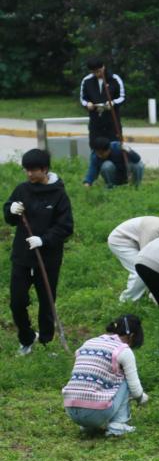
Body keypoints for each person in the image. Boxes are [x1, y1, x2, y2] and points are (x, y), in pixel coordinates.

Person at [4, 149, 74, 355]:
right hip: (22, 257)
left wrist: (44, 240)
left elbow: (66, 226)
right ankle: (26, 338)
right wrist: (10, 209)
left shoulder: (59, 195)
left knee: (46, 301)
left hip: (48, 258)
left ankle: (46, 342)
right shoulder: (22, 189)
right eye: (26, 170)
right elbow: (10, 217)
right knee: (17, 301)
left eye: (33, 170)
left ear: (44, 169)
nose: (29, 174)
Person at [61, 315, 147, 437]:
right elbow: (136, 391)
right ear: (132, 336)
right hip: (96, 412)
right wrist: (142, 398)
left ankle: (88, 426)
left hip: (71, 409)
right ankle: (118, 425)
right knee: (125, 379)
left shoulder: (89, 342)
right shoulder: (123, 350)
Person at [107, 216, 159, 303]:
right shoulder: (155, 230)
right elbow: (146, 260)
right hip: (120, 240)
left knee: (150, 268)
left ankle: (150, 293)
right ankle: (126, 301)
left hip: (134, 239)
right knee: (140, 270)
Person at [79, 56, 125, 144]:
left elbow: (122, 97)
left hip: (112, 121)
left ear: (103, 67)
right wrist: (87, 104)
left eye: (99, 71)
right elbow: (83, 98)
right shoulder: (86, 80)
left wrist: (113, 103)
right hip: (95, 122)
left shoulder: (115, 79)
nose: (97, 74)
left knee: (114, 146)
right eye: (94, 72)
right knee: (95, 146)